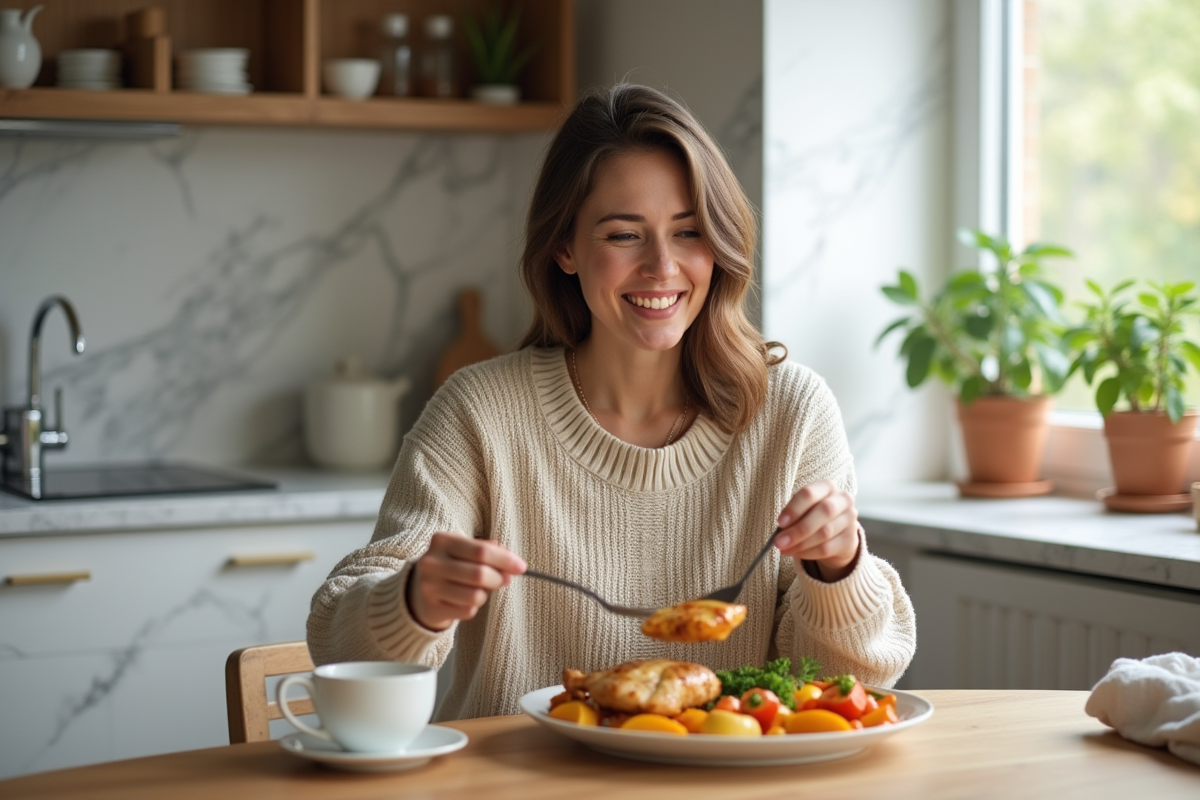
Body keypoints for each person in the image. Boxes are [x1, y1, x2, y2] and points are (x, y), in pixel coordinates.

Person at [307, 84, 916, 721]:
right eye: (624, 235)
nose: (662, 267)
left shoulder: (791, 412)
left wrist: (839, 568)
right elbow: (335, 642)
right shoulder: (479, 412)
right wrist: (414, 599)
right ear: (565, 248)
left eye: (689, 233)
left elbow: (850, 682)